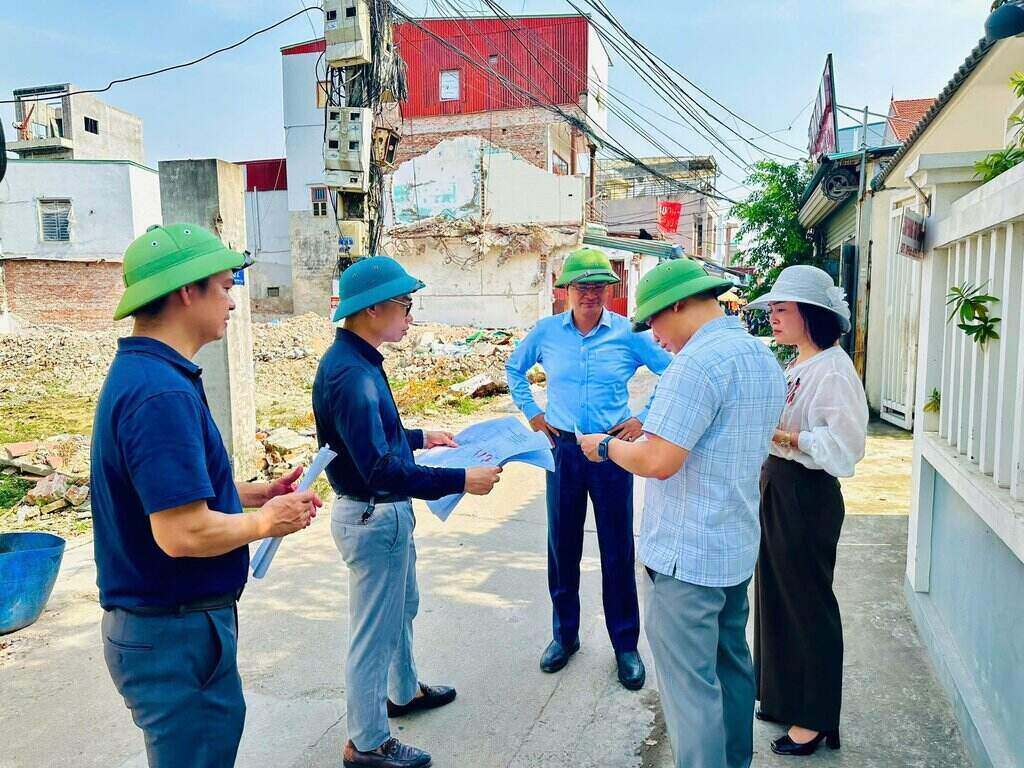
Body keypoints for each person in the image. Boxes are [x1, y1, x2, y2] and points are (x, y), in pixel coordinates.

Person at [92, 223, 323, 767]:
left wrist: (250, 493)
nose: (233, 301)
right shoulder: (160, 392)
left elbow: (165, 492)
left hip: (172, 627)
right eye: (224, 286)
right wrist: (268, 521)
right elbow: (181, 531)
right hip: (172, 633)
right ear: (186, 292)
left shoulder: (150, 375)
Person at [579, 258, 786, 768]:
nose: (656, 337)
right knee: (731, 668)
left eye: (653, 322)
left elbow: (657, 459)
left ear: (678, 304)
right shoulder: (761, 357)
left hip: (685, 557)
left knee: (691, 691)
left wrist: (605, 447)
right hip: (733, 546)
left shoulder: (696, 365)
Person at [313, 256, 502, 768]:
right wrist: (462, 478)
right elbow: (378, 469)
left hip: (383, 515)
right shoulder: (351, 375)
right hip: (375, 515)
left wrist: (420, 437)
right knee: (373, 634)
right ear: (372, 309)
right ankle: (368, 741)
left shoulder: (359, 363)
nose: (410, 316)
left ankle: (403, 691)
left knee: (402, 609)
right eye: (404, 305)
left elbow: (369, 440)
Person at [505, 247, 671, 689]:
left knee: (617, 549)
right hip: (562, 451)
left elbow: (673, 371)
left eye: (598, 286)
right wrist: (533, 414)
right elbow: (514, 369)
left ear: (608, 292)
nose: (590, 294)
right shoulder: (545, 333)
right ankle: (565, 636)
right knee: (562, 546)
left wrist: (643, 418)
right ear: (565, 292)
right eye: (582, 286)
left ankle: (625, 646)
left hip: (613, 452)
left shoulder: (628, 334)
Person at [743, 265, 868, 757]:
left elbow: (845, 447)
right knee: (774, 595)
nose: (772, 317)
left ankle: (814, 719)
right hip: (779, 484)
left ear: (811, 314)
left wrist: (785, 437)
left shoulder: (833, 370)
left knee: (807, 604)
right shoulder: (799, 362)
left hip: (806, 493)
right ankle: (780, 696)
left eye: (782, 309)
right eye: (771, 309)